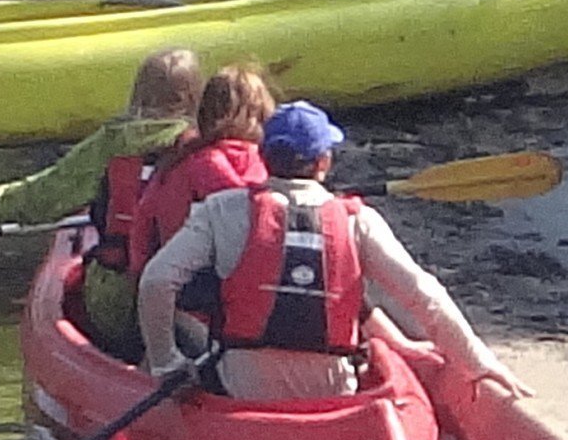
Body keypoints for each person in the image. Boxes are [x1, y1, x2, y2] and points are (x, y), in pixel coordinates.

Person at [136, 100, 527, 403]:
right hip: (333, 392)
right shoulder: (359, 221)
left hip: (241, 388)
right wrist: (478, 362)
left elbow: (156, 280)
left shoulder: (222, 210)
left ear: (264, 157)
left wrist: (165, 362)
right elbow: (425, 296)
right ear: (324, 161)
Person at [0, 47, 202, 359]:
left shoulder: (111, 144)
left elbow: (50, 190)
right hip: (186, 295)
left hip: (115, 298)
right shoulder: (205, 147)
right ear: (193, 98)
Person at [127, 63, 274, 279]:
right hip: (230, 288)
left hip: (178, 283)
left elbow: (143, 222)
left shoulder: (177, 161)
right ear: (262, 115)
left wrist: (140, 276)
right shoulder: (260, 164)